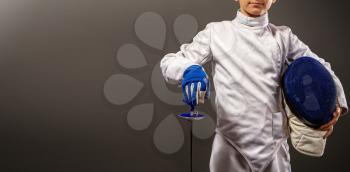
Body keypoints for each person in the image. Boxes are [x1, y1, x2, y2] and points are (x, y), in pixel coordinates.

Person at [160, 0, 348, 171]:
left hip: (274, 145)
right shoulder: (216, 32)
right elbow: (170, 62)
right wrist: (189, 69)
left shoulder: (283, 36)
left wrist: (335, 104)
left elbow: (320, 68)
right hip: (231, 143)